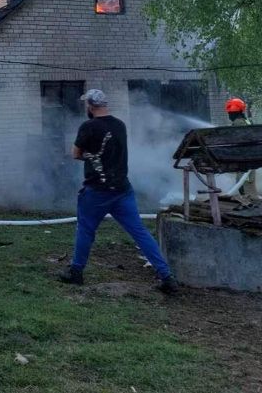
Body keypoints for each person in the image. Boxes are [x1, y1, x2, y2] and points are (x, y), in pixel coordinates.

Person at [58, 89, 177, 294]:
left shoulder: (88, 126)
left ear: (91, 106)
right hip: (122, 190)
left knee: (86, 230)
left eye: (87, 104)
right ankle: (166, 276)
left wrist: (91, 155)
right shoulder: (119, 125)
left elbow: (75, 154)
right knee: (139, 232)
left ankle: (76, 272)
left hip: (96, 191)